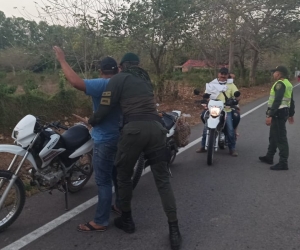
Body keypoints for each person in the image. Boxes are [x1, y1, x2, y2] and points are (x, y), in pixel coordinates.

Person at [88, 53, 181, 250]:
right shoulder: (145, 79)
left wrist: (92, 121)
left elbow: (104, 109)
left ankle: (127, 220)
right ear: (138, 65)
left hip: (134, 131)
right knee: (163, 181)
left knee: (122, 176)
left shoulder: (118, 79)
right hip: (157, 129)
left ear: (122, 66)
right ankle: (174, 230)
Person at [53, 46, 122, 232]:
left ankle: (100, 221)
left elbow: (76, 82)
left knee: (103, 181)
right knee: (116, 174)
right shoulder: (123, 83)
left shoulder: (103, 84)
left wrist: (62, 60)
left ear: (101, 72)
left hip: (105, 139)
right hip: (120, 136)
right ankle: (121, 206)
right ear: (117, 70)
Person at [196, 67, 241, 156]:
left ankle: (232, 148)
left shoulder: (231, 85)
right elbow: (206, 95)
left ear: (227, 75)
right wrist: (205, 99)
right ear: (218, 74)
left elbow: (238, 96)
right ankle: (203, 146)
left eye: (225, 74)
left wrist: (234, 100)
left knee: (230, 129)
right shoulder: (212, 84)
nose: (223, 75)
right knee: (206, 127)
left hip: (225, 109)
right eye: (221, 73)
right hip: (212, 109)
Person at [259, 66, 295, 170]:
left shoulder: (280, 84)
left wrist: (269, 115)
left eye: (274, 72)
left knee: (280, 138)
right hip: (283, 112)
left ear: (279, 74)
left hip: (278, 113)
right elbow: (291, 101)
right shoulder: (288, 83)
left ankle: (283, 162)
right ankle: (269, 156)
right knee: (274, 136)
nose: (273, 74)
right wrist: (291, 113)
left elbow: (277, 101)